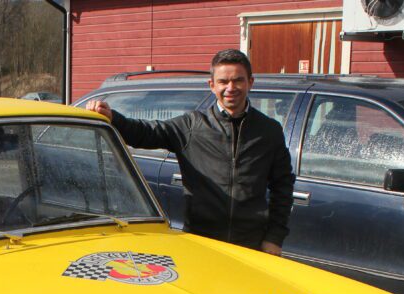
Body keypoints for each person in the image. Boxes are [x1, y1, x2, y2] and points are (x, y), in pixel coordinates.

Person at [87, 49, 294, 255]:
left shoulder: (269, 131)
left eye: (238, 80)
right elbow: (146, 132)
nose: (231, 88)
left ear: (250, 82)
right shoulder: (191, 126)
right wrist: (112, 117)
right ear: (212, 86)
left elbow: (283, 187)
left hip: (251, 245)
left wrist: (274, 239)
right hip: (202, 242)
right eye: (223, 81)